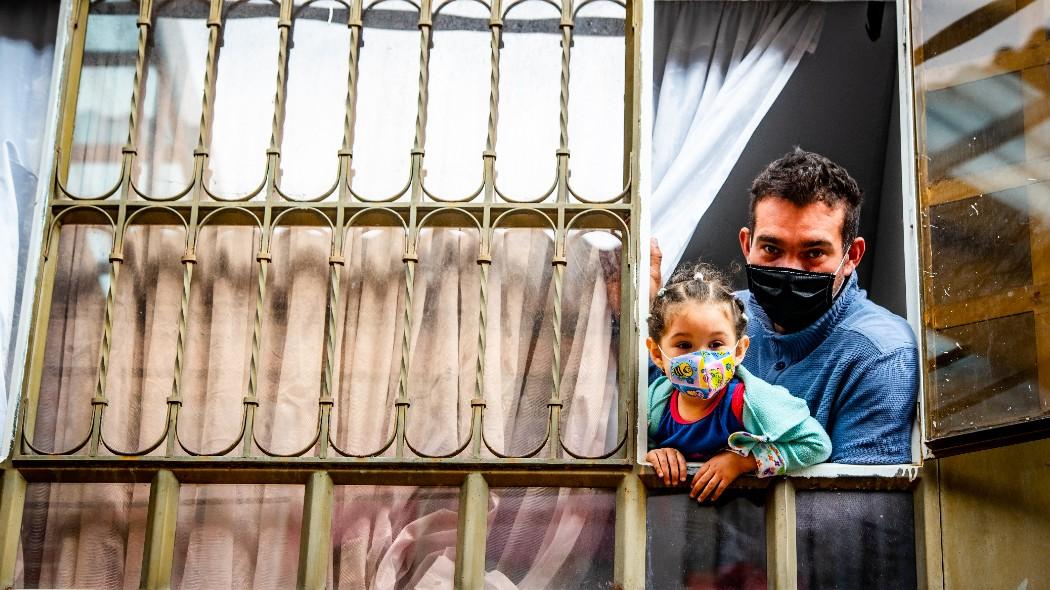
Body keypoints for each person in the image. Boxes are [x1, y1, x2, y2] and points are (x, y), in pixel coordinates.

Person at [650, 148, 918, 464]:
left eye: (814, 252)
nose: (790, 268)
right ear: (747, 245)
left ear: (852, 257)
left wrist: (747, 464)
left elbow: (859, 501)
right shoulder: (716, 317)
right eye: (771, 248)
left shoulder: (881, 354)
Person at [646, 261, 831, 501]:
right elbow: (638, 449)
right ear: (657, 354)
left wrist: (743, 461)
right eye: (684, 345)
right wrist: (654, 453)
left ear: (739, 351)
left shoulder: (748, 402)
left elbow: (816, 444)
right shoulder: (654, 403)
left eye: (715, 345)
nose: (703, 358)